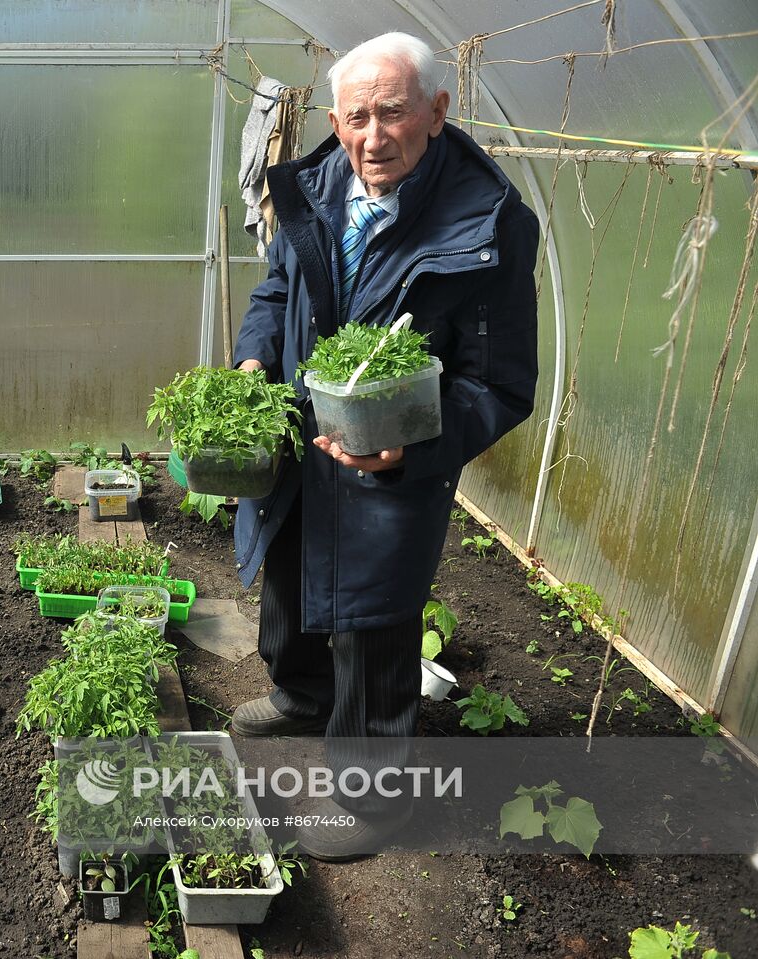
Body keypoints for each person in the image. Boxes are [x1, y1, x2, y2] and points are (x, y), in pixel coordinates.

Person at [228, 32, 540, 861]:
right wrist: (255, 353)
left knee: (375, 619)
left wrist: (409, 445)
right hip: (299, 443)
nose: (373, 136)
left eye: (394, 112)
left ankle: (373, 794)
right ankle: (301, 693)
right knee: (289, 579)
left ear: (437, 113)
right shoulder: (315, 189)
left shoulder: (491, 225)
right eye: (358, 116)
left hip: (393, 462)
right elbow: (275, 290)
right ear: (335, 118)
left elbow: (500, 384)